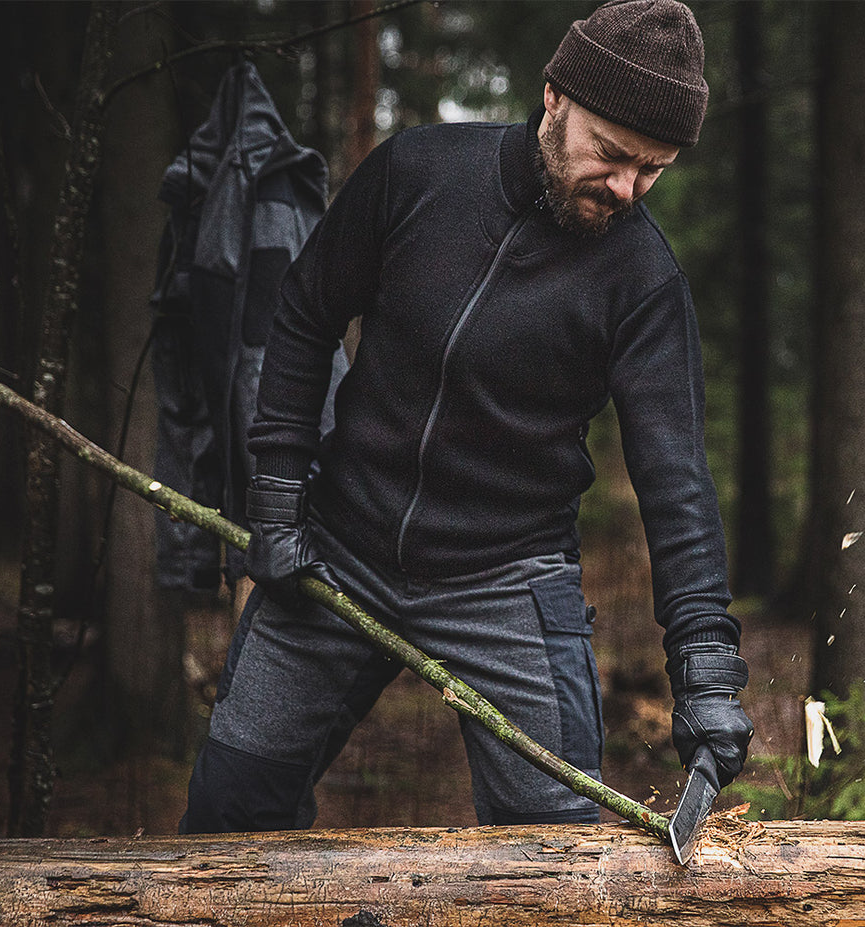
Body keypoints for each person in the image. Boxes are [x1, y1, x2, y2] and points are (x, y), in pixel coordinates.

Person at [180, 0, 754, 833]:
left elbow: (676, 481)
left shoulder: (643, 281)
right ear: (555, 97)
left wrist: (705, 671)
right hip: (337, 549)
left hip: (508, 578)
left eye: (654, 170)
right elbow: (303, 313)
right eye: (614, 155)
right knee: (227, 816)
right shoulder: (416, 172)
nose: (628, 188)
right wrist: (275, 492)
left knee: (557, 853)